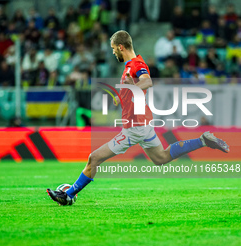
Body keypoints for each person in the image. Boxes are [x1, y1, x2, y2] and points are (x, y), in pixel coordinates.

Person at [47, 30, 230, 206]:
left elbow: (148, 81)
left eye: (113, 49)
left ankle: (68, 194)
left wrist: (132, 86)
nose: (113, 52)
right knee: (161, 158)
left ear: (121, 47)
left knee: (94, 158)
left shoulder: (136, 64)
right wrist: (122, 95)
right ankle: (202, 140)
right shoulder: (132, 65)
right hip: (143, 124)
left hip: (134, 128)